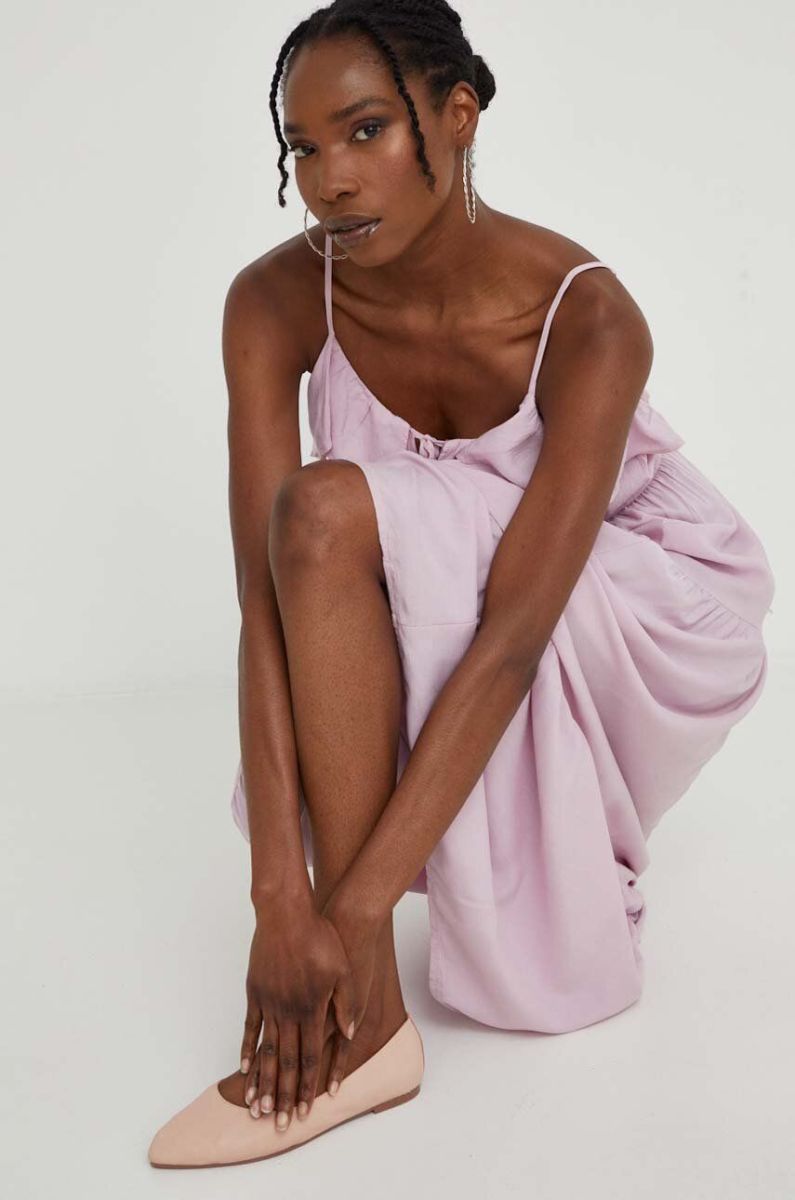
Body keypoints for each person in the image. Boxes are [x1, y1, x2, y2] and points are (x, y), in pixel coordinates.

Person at [148, 0, 776, 1169]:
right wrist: (276, 899)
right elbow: (265, 611)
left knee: (330, 510)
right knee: (314, 529)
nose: (330, 179)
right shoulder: (273, 301)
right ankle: (372, 1029)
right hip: (445, 592)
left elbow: (512, 638)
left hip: (626, 603)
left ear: (459, 115)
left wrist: (343, 917)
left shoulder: (589, 316)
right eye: (302, 147)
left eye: (366, 130)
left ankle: (356, 993)